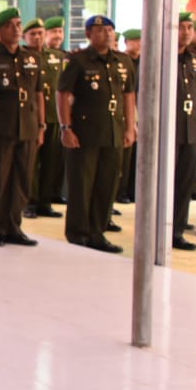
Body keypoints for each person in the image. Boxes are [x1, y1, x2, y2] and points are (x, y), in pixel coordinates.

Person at [57, 15, 136, 254]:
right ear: (89, 34)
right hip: (85, 131)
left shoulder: (123, 61)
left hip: (113, 130)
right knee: (82, 184)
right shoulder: (79, 61)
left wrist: (131, 127)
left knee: (107, 183)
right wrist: (66, 128)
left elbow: (128, 95)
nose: (107, 34)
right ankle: (78, 232)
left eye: (110, 30)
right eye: (101, 30)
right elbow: (62, 94)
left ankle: (97, 230)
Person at [0, 9, 44, 246]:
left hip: (27, 126)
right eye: (9, 25)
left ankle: (15, 225)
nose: (16, 29)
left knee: (22, 179)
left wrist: (42, 126)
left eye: (18, 23)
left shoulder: (31, 57)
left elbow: (38, 93)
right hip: (0, 128)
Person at [28, 17, 66, 218]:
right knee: (32, 163)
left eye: (40, 33)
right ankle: (30, 202)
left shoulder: (57, 57)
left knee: (52, 161)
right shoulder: (25, 57)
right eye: (33, 34)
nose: (37, 37)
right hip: (32, 117)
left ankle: (45, 201)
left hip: (54, 115)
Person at [171, 12, 196, 252]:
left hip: (190, 129)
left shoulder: (195, 59)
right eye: (181, 26)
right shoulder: (162, 57)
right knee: (164, 184)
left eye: (189, 27)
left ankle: (177, 230)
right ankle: (159, 229)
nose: (185, 31)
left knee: (184, 184)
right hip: (168, 131)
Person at [116, 28, 142, 203]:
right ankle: (121, 192)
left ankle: (133, 190)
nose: (139, 44)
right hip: (124, 113)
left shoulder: (145, 61)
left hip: (141, 113)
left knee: (136, 158)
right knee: (122, 159)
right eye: (135, 40)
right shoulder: (122, 62)